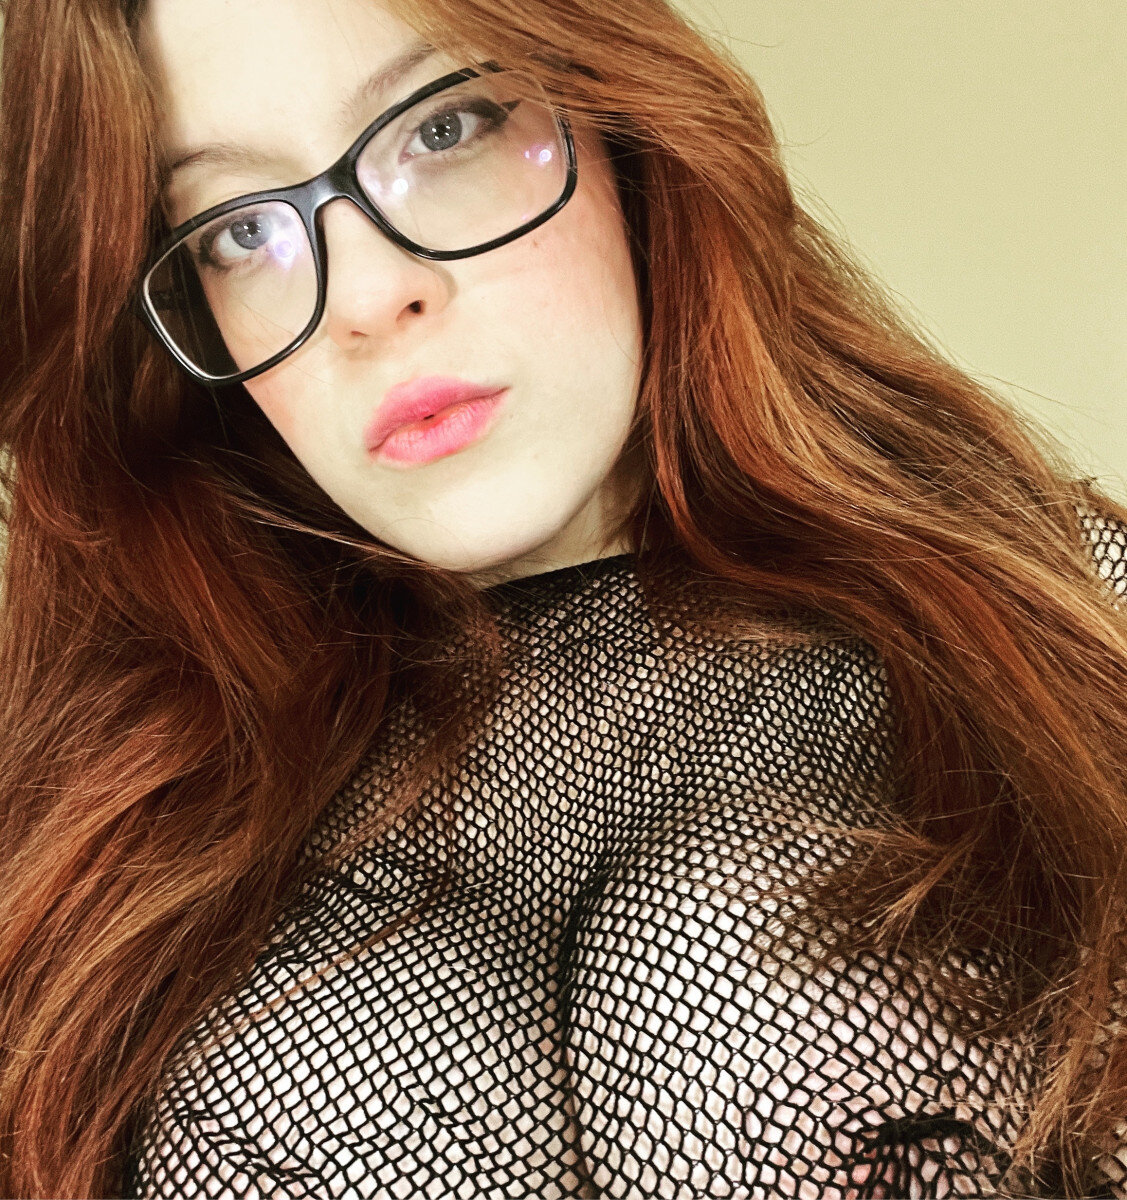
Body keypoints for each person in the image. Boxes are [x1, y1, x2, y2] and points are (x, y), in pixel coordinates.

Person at [0, 0, 1125, 1195]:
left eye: (444, 130)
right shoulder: (103, 815)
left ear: (618, 118)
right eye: (240, 228)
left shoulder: (1064, 627)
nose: (371, 296)